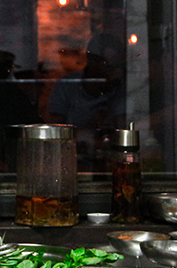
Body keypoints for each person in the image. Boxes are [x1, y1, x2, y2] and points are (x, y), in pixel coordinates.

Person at [47, 32, 127, 170]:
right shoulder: (67, 86)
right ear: (92, 62)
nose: (116, 73)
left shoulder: (120, 89)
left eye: (118, 66)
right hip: (69, 164)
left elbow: (125, 131)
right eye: (110, 66)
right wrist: (89, 130)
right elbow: (53, 134)